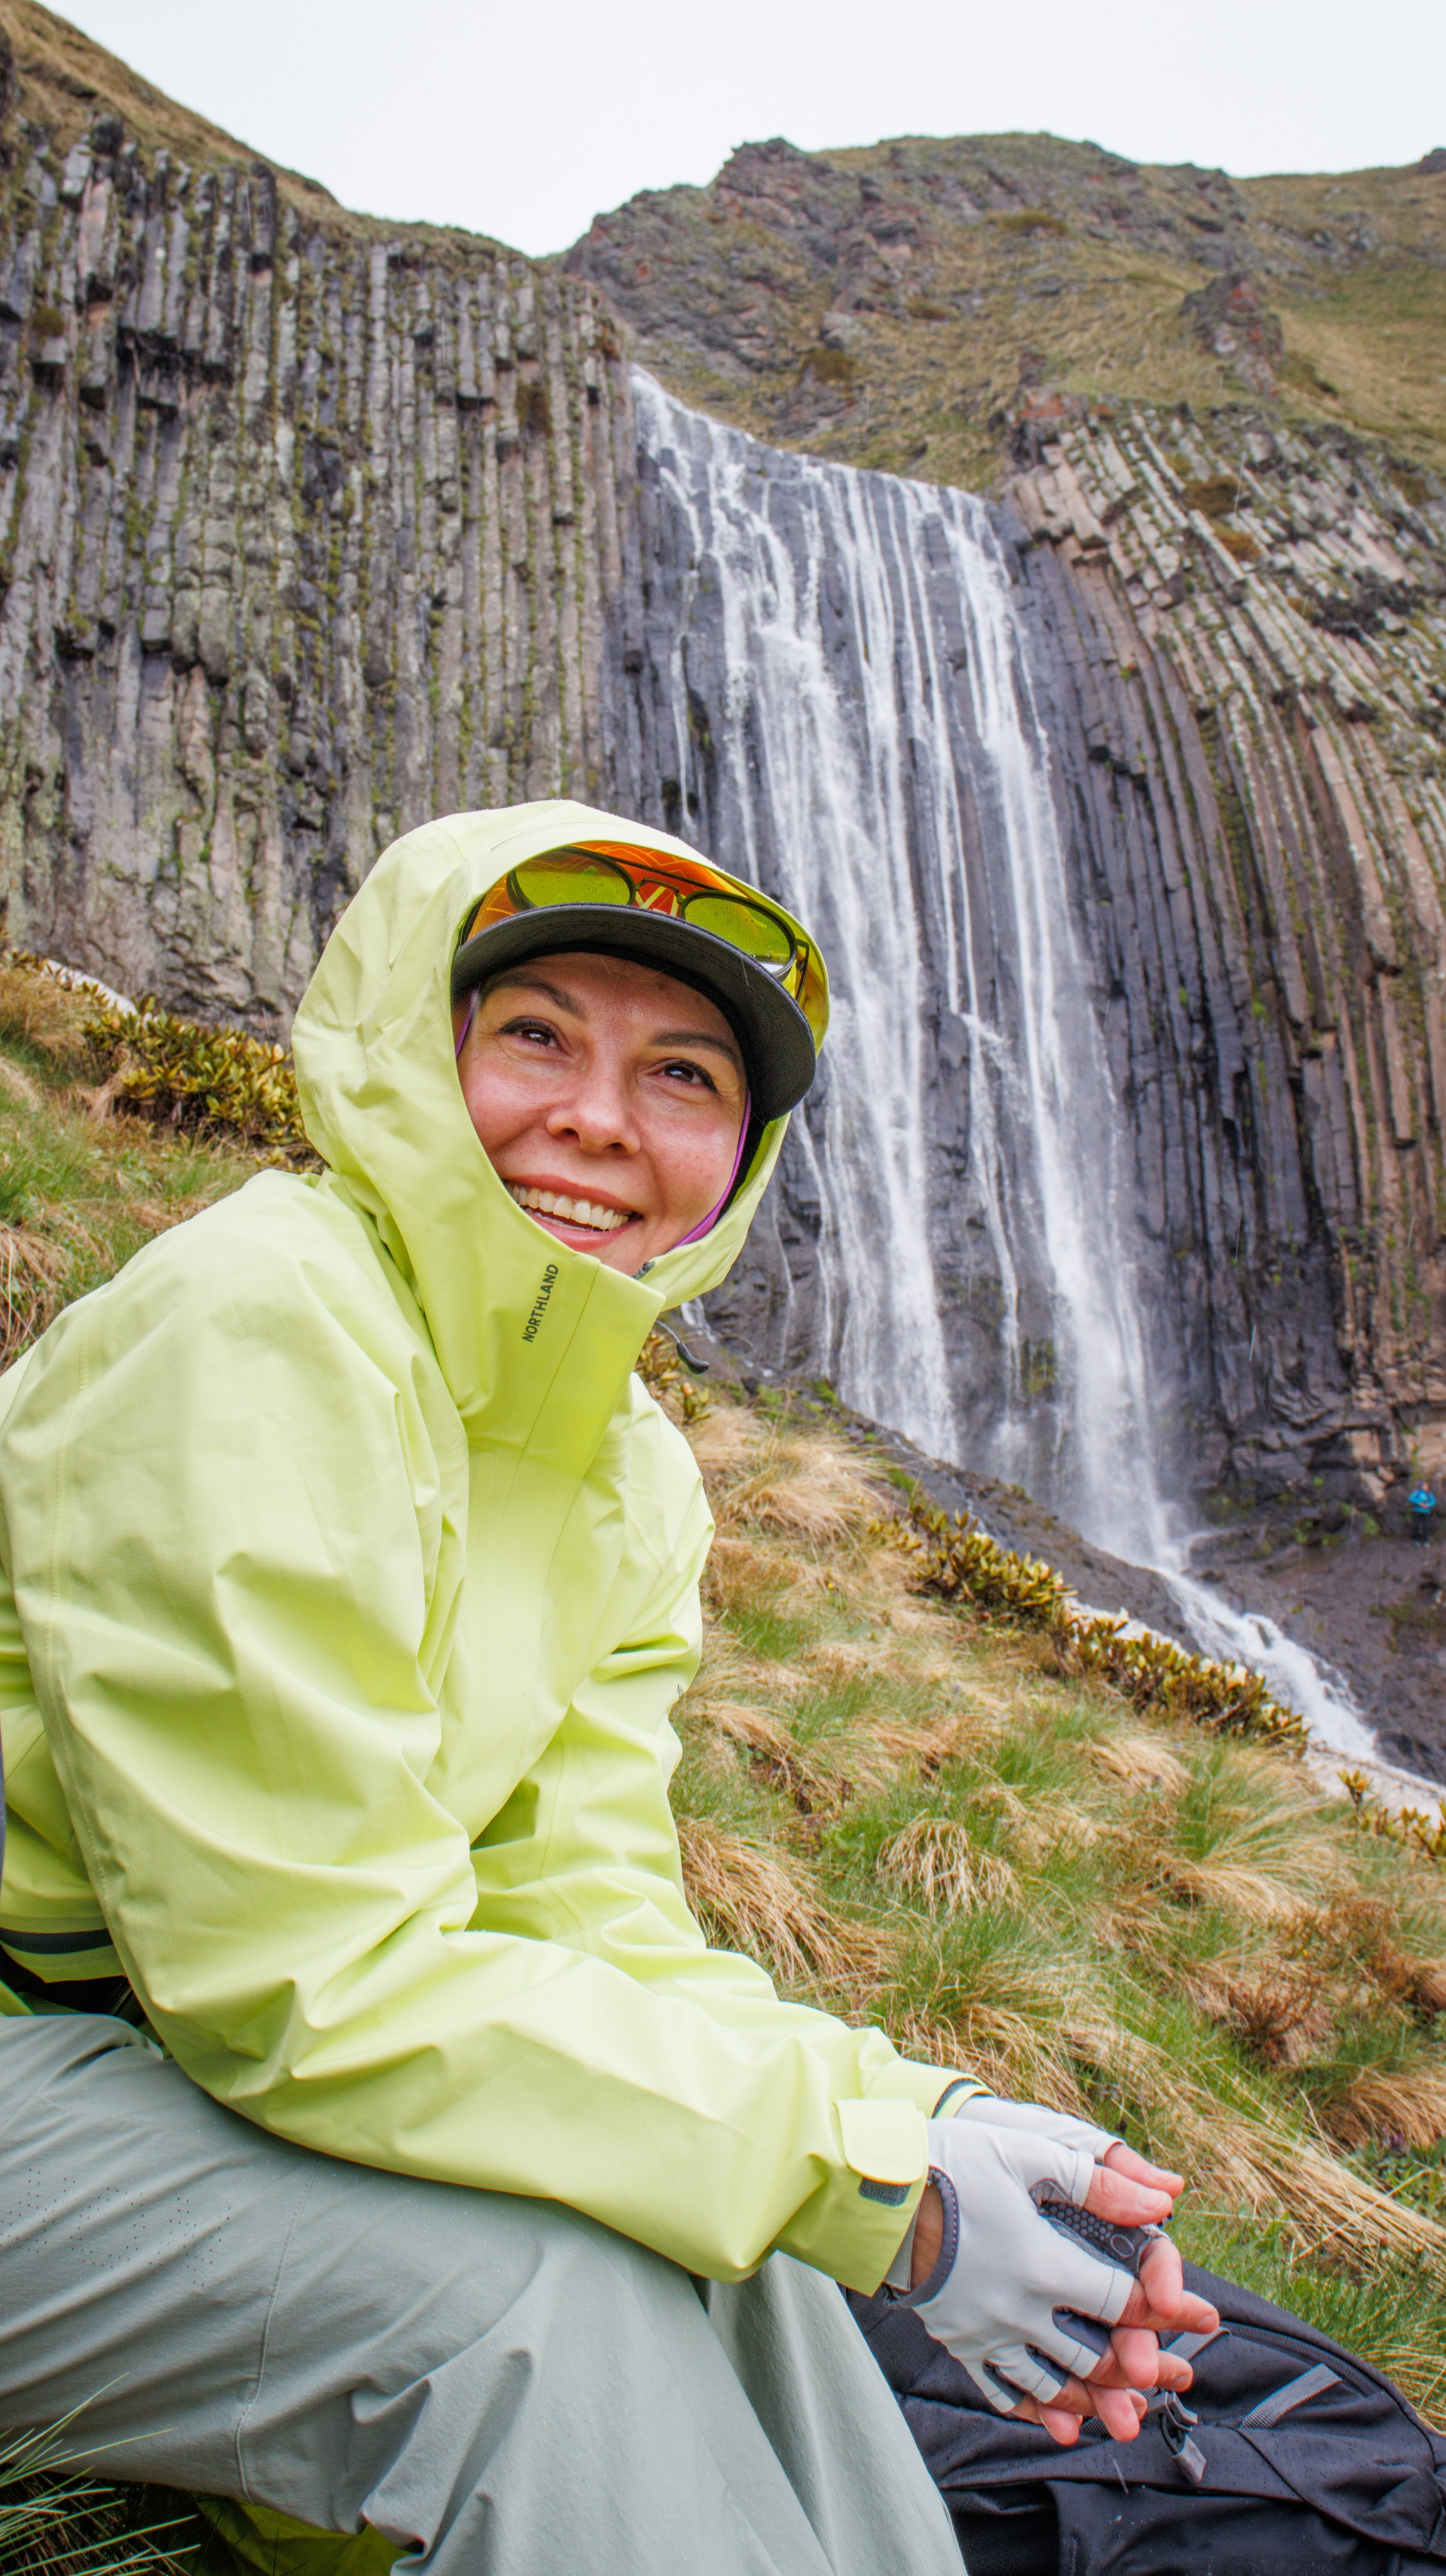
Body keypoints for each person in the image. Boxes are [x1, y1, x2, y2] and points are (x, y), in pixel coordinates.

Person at [0, 802, 1215, 2576]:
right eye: (535, 1035)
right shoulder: (261, 1321)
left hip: (159, 2074)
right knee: (548, 2298)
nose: (596, 1119)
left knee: (720, 2250)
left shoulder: (627, 1468)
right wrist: (862, 2187)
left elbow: (582, 1920)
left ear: (743, 1150)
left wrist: (926, 2129)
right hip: (62, 2049)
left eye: (684, 1077)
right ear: (423, 1040)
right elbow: (303, 1979)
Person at [1410, 1481, 1437, 1545]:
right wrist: (1419, 1503)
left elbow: (1433, 1501)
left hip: (1426, 1512)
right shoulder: (1417, 1492)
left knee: (1426, 1526)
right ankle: (1417, 1540)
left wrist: (1428, 1505)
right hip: (1417, 1511)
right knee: (1417, 1526)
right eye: (1425, 1486)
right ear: (1422, 1486)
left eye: (1427, 1486)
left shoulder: (1429, 1494)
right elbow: (1411, 1498)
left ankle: (1426, 1541)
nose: (1427, 1487)